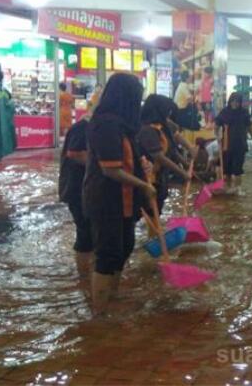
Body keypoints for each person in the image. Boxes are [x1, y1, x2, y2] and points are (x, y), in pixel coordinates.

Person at [83, 73, 155, 316]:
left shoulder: (124, 126)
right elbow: (110, 169)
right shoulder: (106, 124)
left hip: (125, 200)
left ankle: (112, 298)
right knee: (108, 253)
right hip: (106, 199)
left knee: (124, 247)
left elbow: (128, 159)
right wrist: (143, 186)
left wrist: (143, 166)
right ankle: (100, 315)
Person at [138, 94, 191, 219]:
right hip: (149, 177)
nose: (168, 115)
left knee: (156, 209)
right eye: (166, 112)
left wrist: (185, 163)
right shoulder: (147, 130)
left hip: (161, 176)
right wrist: (182, 172)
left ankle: (154, 235)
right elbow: (159, 156)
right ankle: (153, 236)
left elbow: (172, 150)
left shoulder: (162, 127)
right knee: (150, 210)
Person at [58, 114, 92, 278]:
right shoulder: (82, 128)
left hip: (86, 189)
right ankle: (84, 277)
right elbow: (75, 153)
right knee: (85, 233)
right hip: (76, 189)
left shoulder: (89, 127)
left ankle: (88, 274)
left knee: (89, 232)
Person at [215, 92, 252, 194]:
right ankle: (227, 188)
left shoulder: (244, 113)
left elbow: (249, 127)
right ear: (230, 101)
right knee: (226, 169)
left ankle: (238, 188)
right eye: (233, 101)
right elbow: (217, 124)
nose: (235, 104)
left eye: (237, 102)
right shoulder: (224, 112)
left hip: (240, 145)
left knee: (238, 169)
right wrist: (217, 136)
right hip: (226, 145)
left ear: (240, 103)